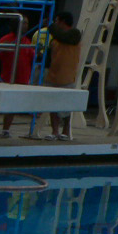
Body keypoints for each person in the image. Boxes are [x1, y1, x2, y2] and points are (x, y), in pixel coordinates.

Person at [42, 11, 82, 141]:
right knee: (53, 106)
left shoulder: (74, 34)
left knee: (66, 106)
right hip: (53, 75)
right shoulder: (56, 39)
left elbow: (63, 37)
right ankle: (55, 131)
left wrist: (51, 27)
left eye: (57, 21)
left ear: (62, 21)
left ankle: (65, 130)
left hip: (67, 77)